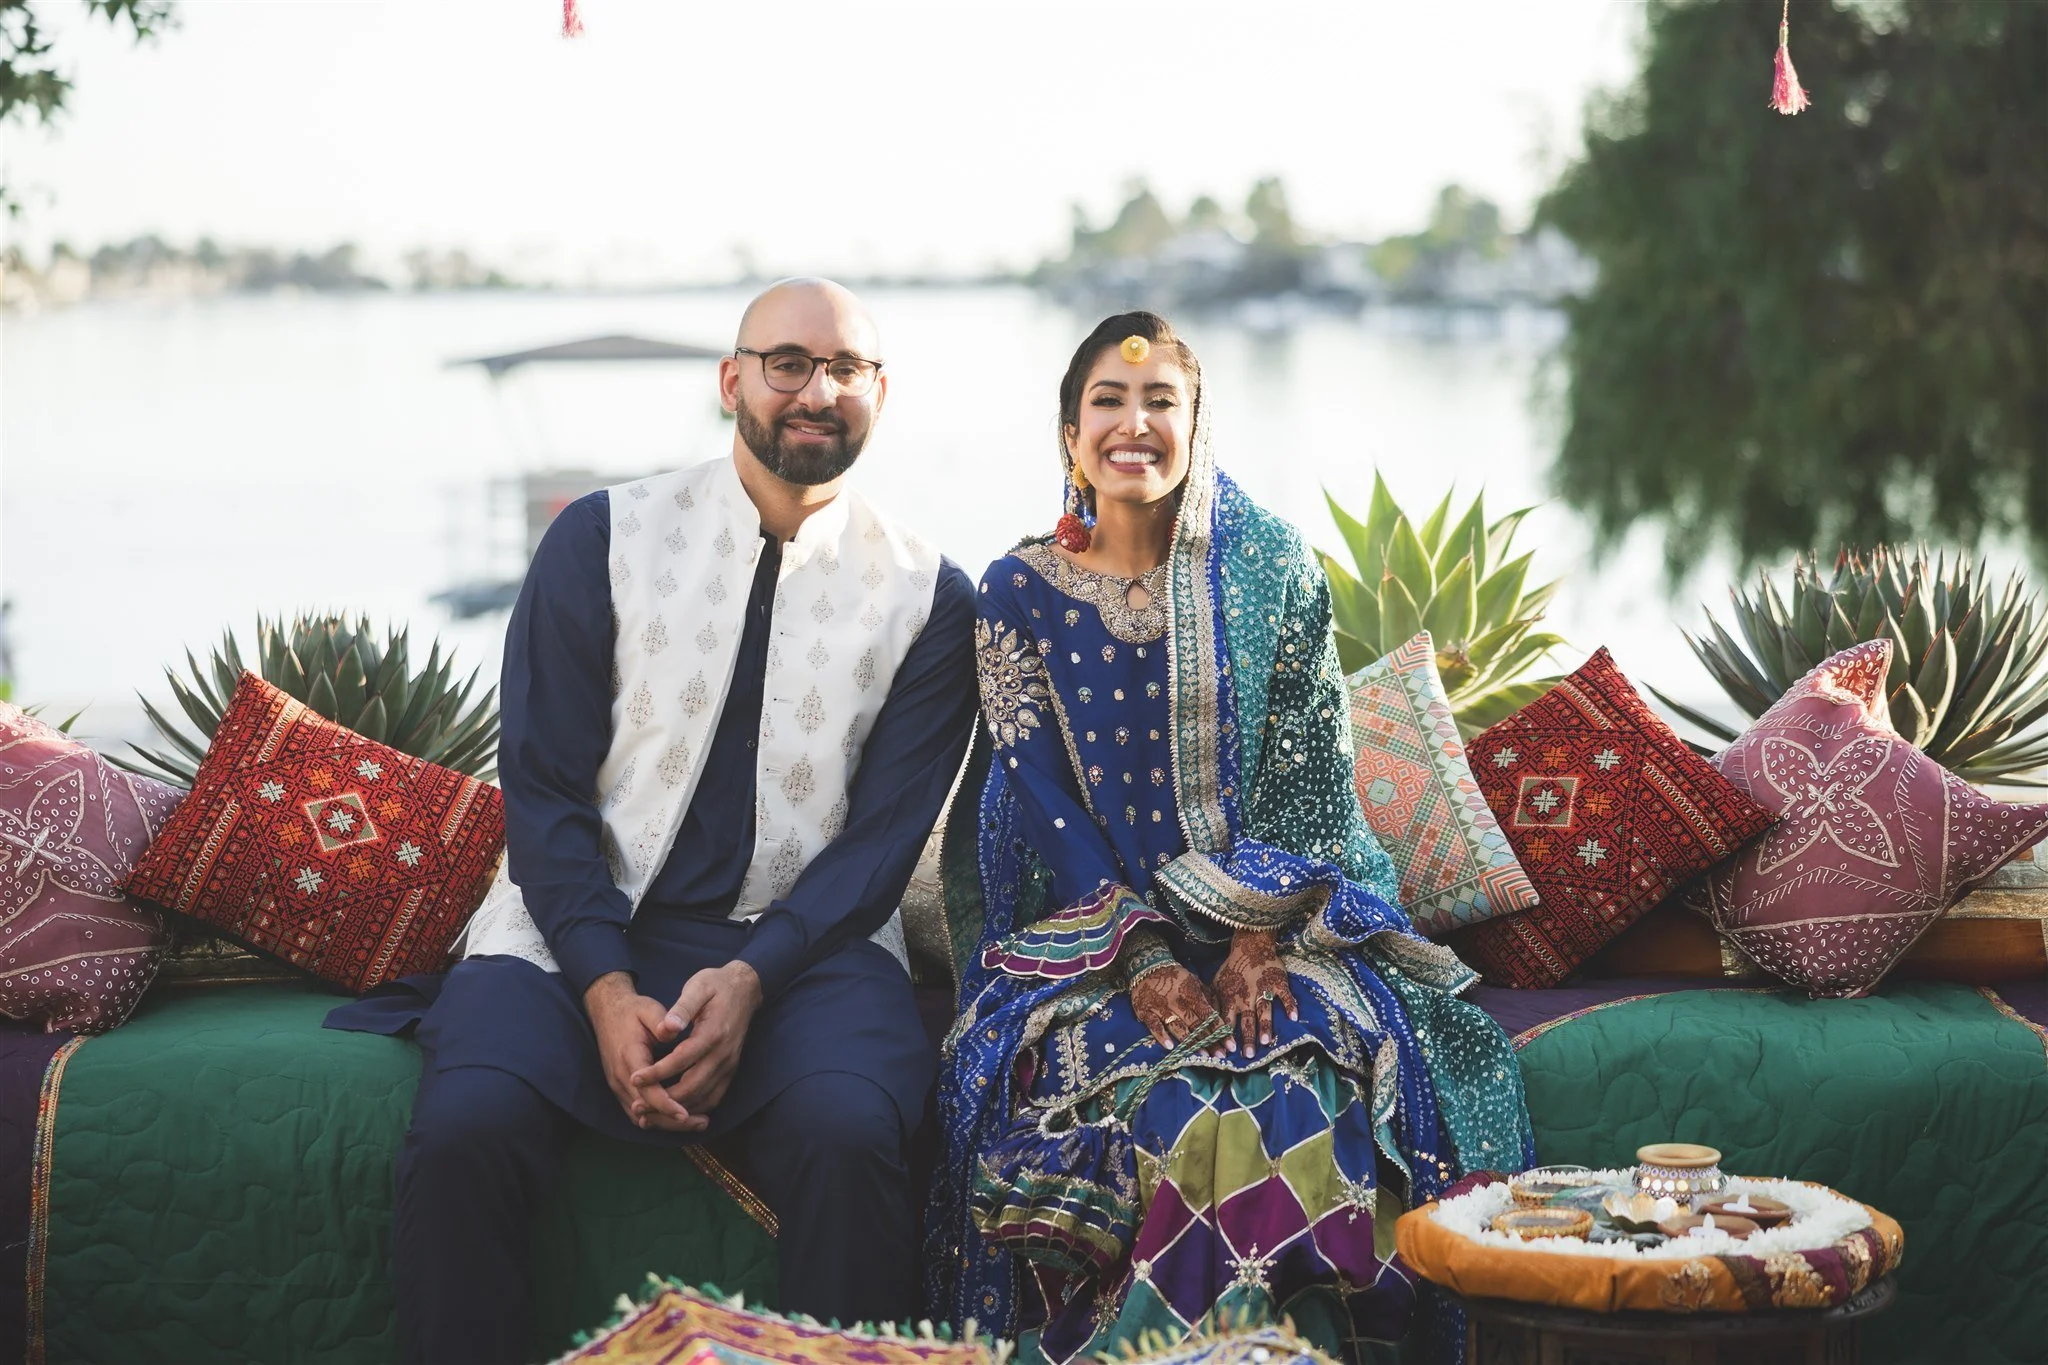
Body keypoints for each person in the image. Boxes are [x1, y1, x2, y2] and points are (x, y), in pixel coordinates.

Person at [329, 279, 978, 1364]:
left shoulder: (930, 596)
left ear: (879, 392)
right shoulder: (601, 538)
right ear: (732, 382)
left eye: (845, 369)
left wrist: (751, 979)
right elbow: (543, 793)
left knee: (850, 1132)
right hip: (577, 927)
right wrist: (604, 986)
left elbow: (877, 847)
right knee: (465, 1130)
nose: (816, 391)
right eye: (786, 363)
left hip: (805, 948)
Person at [926, 313, 1532, 1364]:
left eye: (1160, 400)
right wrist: (1148, 959)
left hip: (1281, 927)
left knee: (1284, 1080)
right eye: (1106, 404)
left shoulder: (1273, 571)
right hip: (1094, 944)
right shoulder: (1015, 594)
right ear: (1068, 437)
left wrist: (1257, 942)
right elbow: (1043, 804)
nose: (1133, 423)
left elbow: (1309, 786)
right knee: (1157, 1103)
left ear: (1195, 425)